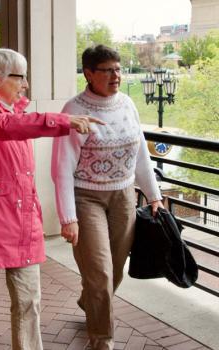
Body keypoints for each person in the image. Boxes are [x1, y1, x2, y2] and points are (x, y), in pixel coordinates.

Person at [0, 48, 103, 350]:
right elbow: (2, 128)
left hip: (20, 219)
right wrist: (63, 120)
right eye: (21, 77)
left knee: (30, 299)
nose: (25, 84)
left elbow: (17, 138)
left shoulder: (17, 110)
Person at [51, 44, 164, 350]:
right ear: (88, 73)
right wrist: (68, 218)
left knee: (114, 268)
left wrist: (153, 194)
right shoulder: (73, 111)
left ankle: (90, 301)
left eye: (118, 68)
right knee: (100, 271)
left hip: (124, 195)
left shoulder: (127, 104)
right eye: (108, 70)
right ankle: (102, 338)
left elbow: (140, 153)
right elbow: (61, 168)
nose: (116, 75)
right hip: (87, 198)